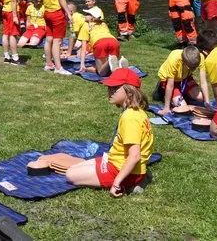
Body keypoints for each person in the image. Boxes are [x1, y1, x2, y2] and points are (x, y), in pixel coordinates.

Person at [66, 68, 154, 196]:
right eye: (109, 87)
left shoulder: (130, 117)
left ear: (130, 92)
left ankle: (132, 184)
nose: (110, 91)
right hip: (117, 161)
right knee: (75, 167)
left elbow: (135, 156)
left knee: (71, 175)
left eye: (115, 88)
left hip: (120, 170)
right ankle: (140, 177)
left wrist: (116, 183)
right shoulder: (136, 112)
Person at [31, 0, 73, 75]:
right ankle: (58, 68)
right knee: (57, 41)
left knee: (49, 39)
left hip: (47, 14)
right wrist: (69, 13)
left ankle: (49, 64)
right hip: (56, 14)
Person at [154, 45, 210, 115]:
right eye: (191, 67)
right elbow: (170, 85)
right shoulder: (174, 59)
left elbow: (203, 82)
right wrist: (166, 108)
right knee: (182, 107)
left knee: (201, 98)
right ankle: (161, 88)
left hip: (185, 77)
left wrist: (207, 104)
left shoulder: (200, 57)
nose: (193, 69)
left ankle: (182, 93)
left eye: (195, 67)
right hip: (169, 79)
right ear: (183, 61)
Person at [76, 7, 126, 76]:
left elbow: (83, 48)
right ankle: (118, 64)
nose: (84, 15)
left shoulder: (86, 25)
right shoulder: (103, 24)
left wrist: (82, 65)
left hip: (100, 43)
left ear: (92, 17)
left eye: (87, 14)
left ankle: (110, 62)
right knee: (110, 68)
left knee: (101, 72)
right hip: (114, 41)